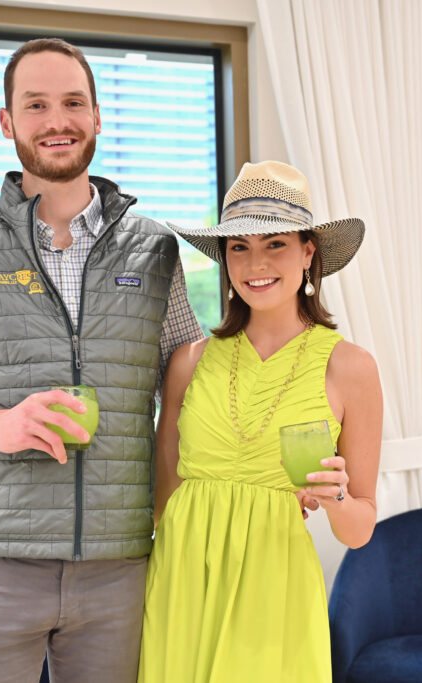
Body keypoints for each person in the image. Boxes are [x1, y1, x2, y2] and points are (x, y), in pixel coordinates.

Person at [0, 37, 203, 682]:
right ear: (7, 123)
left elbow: (192, 381)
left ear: (98, 116)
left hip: (120, 565)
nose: (58, 121)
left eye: (73, 102)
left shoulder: (155, 250)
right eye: (37, 105)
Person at [137, 161, 383, 682]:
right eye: (239, 247)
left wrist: (335, 495)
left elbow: (359, 530)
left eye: (275, 244)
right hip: (182, 579)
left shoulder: (350, 367)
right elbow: (164, 495)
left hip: (276, 585)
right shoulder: (189, 361)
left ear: (308, 251)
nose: (255, 263)